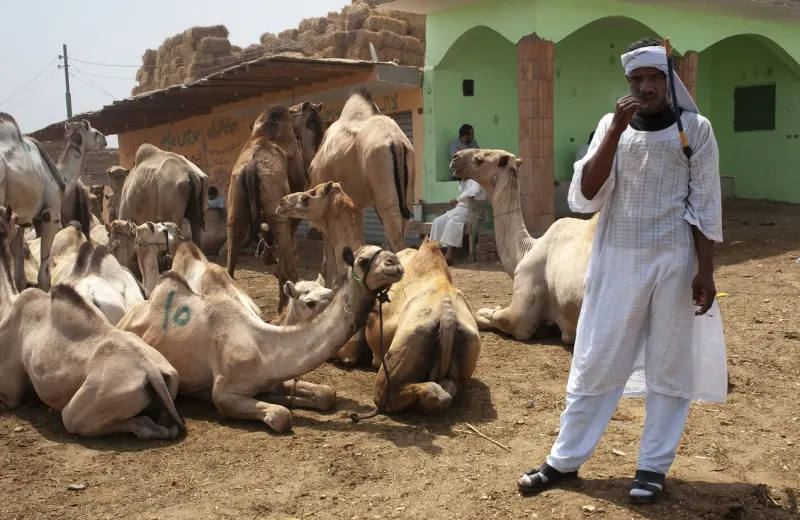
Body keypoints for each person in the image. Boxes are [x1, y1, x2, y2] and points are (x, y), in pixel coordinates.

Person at [516, 37, 727, 504]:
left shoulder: (697, 130)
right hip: (615, 263)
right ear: (627, 83)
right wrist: (614, 129)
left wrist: (705, 271)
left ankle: (653, 467)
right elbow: (586, 194)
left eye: (655, 78)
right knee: (595, 359)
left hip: (675, 264)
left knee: (669, 365)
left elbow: (705, 204)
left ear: (670, 81)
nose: (646, 87)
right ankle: (564, 461)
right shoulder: (611, 127)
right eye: (637, 79)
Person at [430, 124, 485, 265]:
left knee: (453, 223)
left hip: (472, 211)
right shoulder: (463, 180)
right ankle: (435, 253)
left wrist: (457, 199)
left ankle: (449, 256)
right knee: (438, 221)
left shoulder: (476, 178)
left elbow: (473, 192)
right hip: (460, 210)